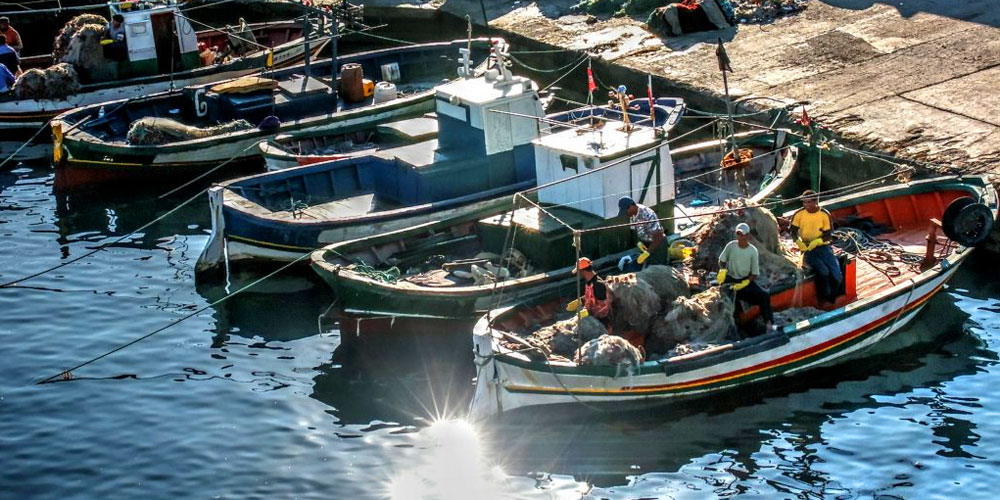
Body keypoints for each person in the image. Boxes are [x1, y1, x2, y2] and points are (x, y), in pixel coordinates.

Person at [718, 222, 774, 334]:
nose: (740, 237)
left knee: (764, 296)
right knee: (731, 303)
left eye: (743, 234)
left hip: (745, 281)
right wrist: (722, 271)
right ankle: (738, 329)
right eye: (738, 234)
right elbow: (722, 261)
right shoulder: (731, 246)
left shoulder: (752, 251)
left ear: (748, 235)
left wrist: (746, 282)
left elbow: (754, 273)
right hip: (731, 280)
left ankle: (768, 323)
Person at [791, 189, 843, 307]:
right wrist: (798, 242)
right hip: (808, 249)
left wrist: (819, 240)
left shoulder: (824, 214)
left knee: (837, 276)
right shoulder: (799, 214)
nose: (806, 205)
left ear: (815, 202)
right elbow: (793, 231)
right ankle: (823, 299)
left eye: (809, 202)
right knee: (823, 272)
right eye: (804, 203)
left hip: (824, 247)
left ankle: (831, 299)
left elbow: (828, 234)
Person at [618, 196, 666, 266]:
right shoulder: (632, 215)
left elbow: (659, 237)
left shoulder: (647, 214)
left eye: (626, 211)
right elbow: (633, 230)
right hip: (646, 244)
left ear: (631, 206)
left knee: (658, 269)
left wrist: (647, 252)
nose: (626, 214)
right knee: (647, 268)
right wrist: (638, 242)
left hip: (657, 245)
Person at [566, 257, 613, 329]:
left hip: (602, 325)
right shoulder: (589, 282)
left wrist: (588, 312)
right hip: (594, 319)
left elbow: (604, 307)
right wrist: (580, 301)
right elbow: (592, 296)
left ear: (582, 271)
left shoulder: (598, 284)